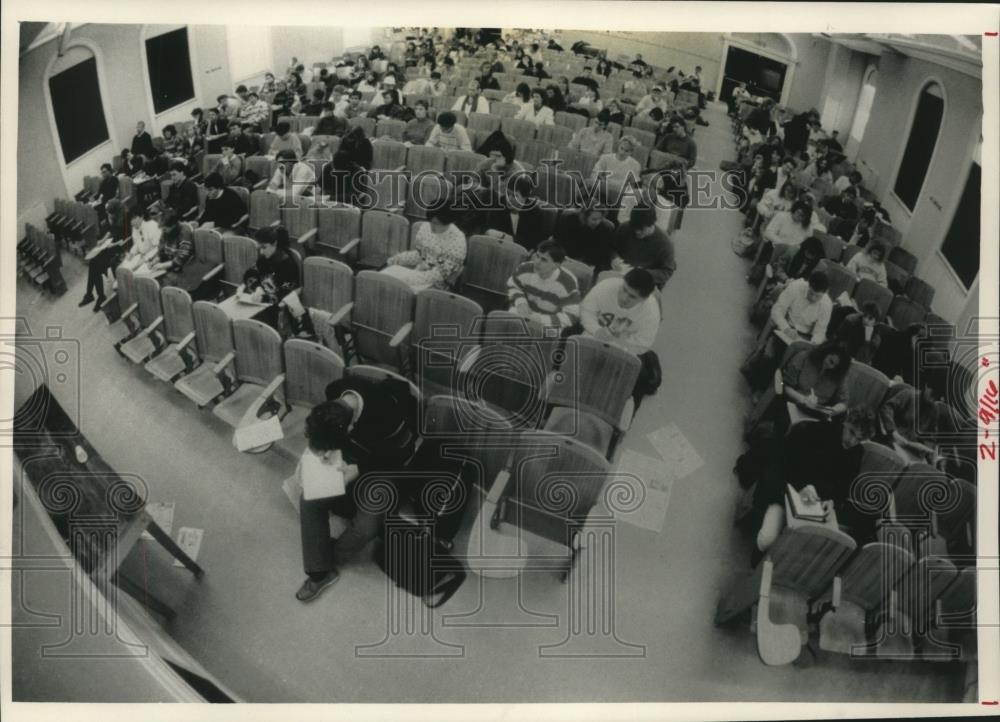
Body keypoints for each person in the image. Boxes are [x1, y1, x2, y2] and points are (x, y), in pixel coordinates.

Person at [294, 372, 417, 602]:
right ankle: (321, 573)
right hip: (351, 451)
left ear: (350, 427)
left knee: (367, 525)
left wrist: (360, 469)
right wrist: (311, 458)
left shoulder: (387, 412)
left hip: (385, 463)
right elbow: (323, 431)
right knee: (309, 498)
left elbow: (403, 452)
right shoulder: (334, 391)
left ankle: (332, 556)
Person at [747, 407, 877, 556]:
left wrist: (833, 501)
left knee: (812, 551)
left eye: (859, 439)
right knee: (766, 540)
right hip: (787, 492)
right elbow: (785, 462)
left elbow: (844, 487)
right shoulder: (819, 431)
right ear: (846, 422)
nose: (851, 441)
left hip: (816, 507)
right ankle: (758, 561)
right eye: (851, 432)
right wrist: (802, 486)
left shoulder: (857, 453)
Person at [578, 269, 661, 408]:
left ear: (643, 299)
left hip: (625, 347)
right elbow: (586, 310)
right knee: (566, 345)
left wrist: (616, 343)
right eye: (624, 289)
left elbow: (643, 344)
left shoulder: (651, 311)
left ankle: (622, 419)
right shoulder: (606, 287)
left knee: (639, 379)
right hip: (594, 331)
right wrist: (595, 330)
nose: (624, 297)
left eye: (632, 297)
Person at [382, 205, 466, 291]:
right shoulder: (425, 227)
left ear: (448, 222)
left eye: (436, 223)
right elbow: (420, 255)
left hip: (438, 283)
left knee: (397, 290)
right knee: (385, 277)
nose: (431, 227)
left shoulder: (458, 239)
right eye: (430, 222)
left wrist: (410, 279)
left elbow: (441, 274)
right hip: (419, 273)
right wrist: (399, 258)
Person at [877, 368, 951, 465]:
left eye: (936, 398)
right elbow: (886, 409)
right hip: (892, 440)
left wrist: (931, 452)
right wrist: (893, 431)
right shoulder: (909, 394)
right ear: (926, 386)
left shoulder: (934, 410)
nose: (932, 400)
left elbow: (931, 437)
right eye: (932, 394)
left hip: (910, 448)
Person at [506, 240, 581, 331]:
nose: (537, 262)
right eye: (537, 256)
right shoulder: (524, 268)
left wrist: (540, 319)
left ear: (556, 265)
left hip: (549, 323)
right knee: (507, 323)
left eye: (544, 260)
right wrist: (520, 302)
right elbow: (512, 286)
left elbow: (571, 316)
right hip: (524, 313)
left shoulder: (568, 283)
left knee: (548, 337)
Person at [240, 225, 301, 331]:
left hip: (279, 309)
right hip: (260, 304)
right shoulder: (264, 258)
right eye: (259, 248)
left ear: (275, 244)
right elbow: (250, 274)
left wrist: (263, 298)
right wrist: (257, 287)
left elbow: (285, 291)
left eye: (264, 247)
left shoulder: (287, 263)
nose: (261, 252)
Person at [79, 199, 130, 311]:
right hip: (111, 247)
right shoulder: (113, 218)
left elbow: (125, 240)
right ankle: (94, 295)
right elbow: (111, 232)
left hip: (120, 249)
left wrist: (111, 245)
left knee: (95, 264)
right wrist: (103, 240)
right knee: (93, 262)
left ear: (115, 211)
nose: (107, 215)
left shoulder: (126, 218)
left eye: (109, 212)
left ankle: (94, 296)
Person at [610, 205, 677, 290]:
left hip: (645, 282)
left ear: (652, 224)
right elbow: (613, 247)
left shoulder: (666, 244)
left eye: (641, 229)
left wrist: (644, 274)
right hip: (620, 273)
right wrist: (614, 258)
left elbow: (667, 271)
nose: (637, 232)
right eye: (634, 227)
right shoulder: (624, 227)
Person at [770, 270, 833, 345]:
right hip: (785, 327)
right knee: (775, 348)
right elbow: (777, 310)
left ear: (826, 292)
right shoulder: (796, 286)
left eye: (818, 296)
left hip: (805, 336)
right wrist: (786, 329)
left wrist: (813, 343)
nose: (813, 298)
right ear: (808, 284)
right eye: (811, 293)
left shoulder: (827, 304)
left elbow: (820, 331)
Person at [150, 209, 196, 290]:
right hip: (168, 267)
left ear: (173, 226)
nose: (163, 232)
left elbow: (182, 258)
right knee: (150, 282)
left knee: (159, 286)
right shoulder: (166, 231)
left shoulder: (184, 231)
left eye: (165, 229)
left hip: (183, 270)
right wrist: (157, 258)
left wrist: (162, 265)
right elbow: (161, 248)